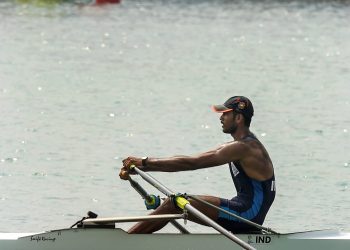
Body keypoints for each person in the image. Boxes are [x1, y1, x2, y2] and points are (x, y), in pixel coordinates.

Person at [119, 96, 276, 234]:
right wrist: (141, 168)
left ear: (238, 118)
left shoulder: (244, 148)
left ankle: (122, 244)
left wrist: (145, 161)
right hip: (244, 211)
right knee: (172, 202)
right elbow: (194, 159)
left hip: (247, 215)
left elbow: (192, 162)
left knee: (175, 203)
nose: (221, 118)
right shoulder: (241, 146)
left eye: (225, 113)